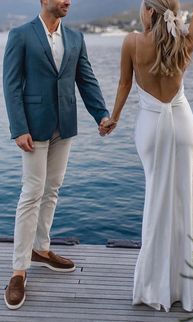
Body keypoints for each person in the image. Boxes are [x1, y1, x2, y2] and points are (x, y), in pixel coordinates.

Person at [101, 0, 193, 312]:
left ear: (150, 11)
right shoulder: (185, 39)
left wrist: (114, 118)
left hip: (151, 128)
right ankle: (183, 286)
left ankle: (153, 283)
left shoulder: (132, 42)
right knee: (184, 201)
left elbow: (125, 83)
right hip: (183, 127)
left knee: (156, 199)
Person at [3, 0, 109, 310]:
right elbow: (11, 85)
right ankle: (18, 271)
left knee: (52, 190)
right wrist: (18, 127)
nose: (68, 1)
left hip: (65, 126)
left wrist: (100, 114)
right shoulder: (21, 35)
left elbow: (86, 79)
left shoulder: (76, 37)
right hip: (33, 128)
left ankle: (42, 250)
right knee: (31, 192)